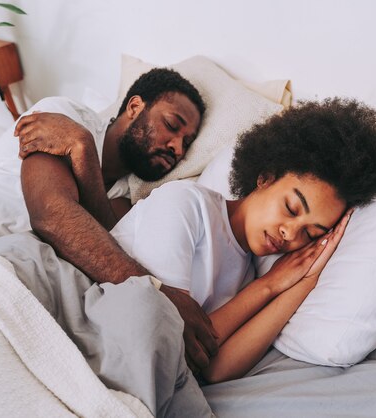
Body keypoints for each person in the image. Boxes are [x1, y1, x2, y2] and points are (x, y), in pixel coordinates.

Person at [107, 97, 376, 383]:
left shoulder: (247, 270)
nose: (291, 234)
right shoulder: (185, 204)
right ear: (265, 177)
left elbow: (216, 370)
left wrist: (305, 280)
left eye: (311, 233)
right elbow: (164, 339)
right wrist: (268, 285)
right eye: (292, 208)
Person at [15, 68, 223, 373]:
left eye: (186, 143)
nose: (177, 149)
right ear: (135, 107)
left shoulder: (127, 199)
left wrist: (82, 151)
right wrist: (160, 294)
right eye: (171, 125)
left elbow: (100, 246)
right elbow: (51, 215)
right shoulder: (66, 116)